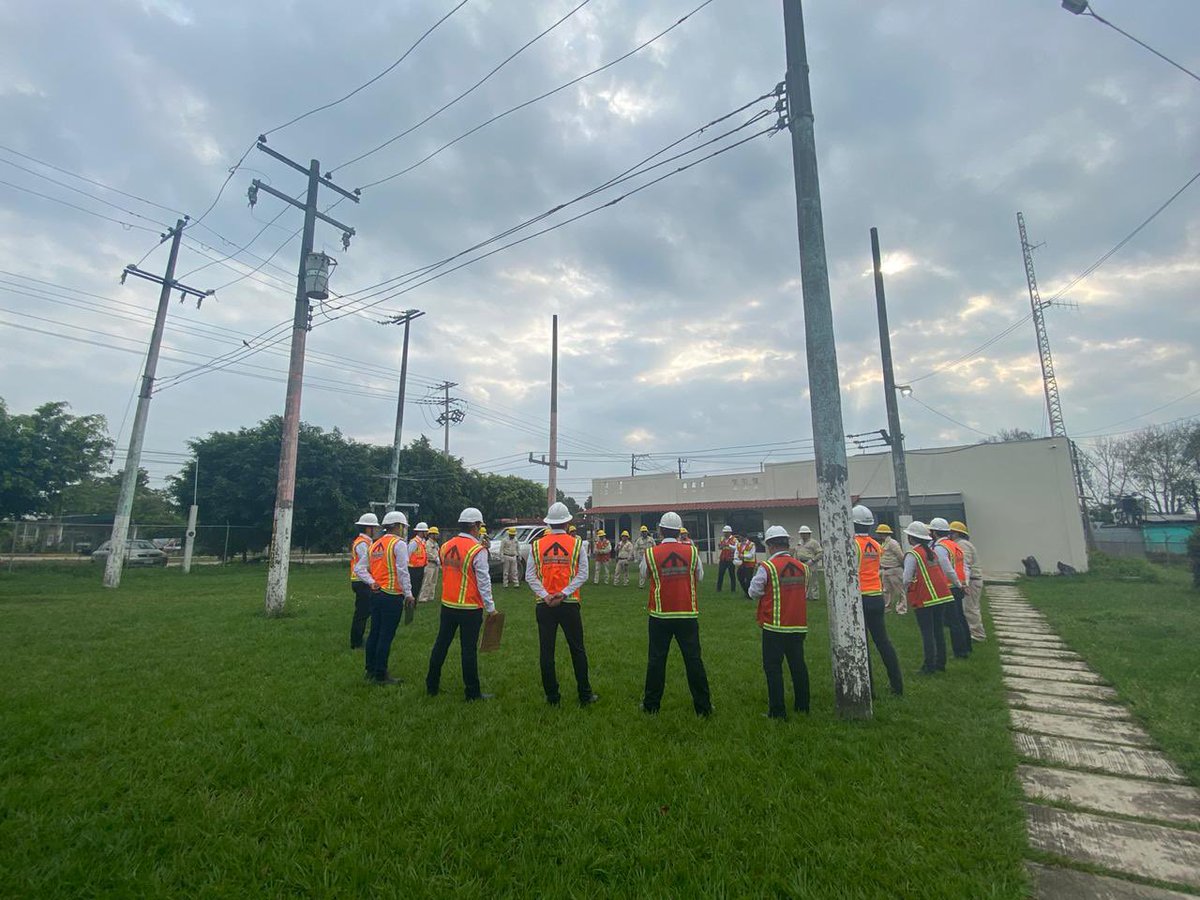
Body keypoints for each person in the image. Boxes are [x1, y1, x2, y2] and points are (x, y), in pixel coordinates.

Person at [640, 511, 711, 716]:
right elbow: (700, 576)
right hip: (687, 613)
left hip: (660, 614)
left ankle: (651, 705)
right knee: (694, 660)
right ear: (680, 531)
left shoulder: (652, 553)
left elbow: (644, 574)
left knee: (656, 661)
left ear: (660, 530)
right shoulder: (693, 551)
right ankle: (703, 707)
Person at [525, 502, 597, 706]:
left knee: (546, 652)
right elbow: (583, 573)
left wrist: (546, 595)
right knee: (577, 650)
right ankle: (585, 695)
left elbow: (529, 575)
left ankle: (552, 697)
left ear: (548, 523)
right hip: (570, 603)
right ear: (567, 522)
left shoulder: (536, 545)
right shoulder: (577, 544)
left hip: (544, 604)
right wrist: (564, 593)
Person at [425, 507, 498, 701]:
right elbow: (484, 580)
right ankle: (472, 692)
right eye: (480, 525)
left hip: (448, 604)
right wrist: (491, 608)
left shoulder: (445, 545)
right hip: (470, 607)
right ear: (475, 526)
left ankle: (431, 685)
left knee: (441, 644)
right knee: (468, 650)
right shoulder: (477, 550)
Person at [746, 525, 810, 719]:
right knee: (798, 666)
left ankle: (777, 711)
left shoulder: (767, 567)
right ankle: (803, 706)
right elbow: (804, 593)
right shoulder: (803, 568)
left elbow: (753, 592)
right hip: (798, 624)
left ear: (771, 545)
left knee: (773, 669)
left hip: (775, 625)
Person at [853, 505, 903, 697]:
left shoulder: (853, 544)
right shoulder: (876, 545)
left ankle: (869, 689)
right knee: (883, 642)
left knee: (862, 644)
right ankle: (897, 685)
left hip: (860, 597)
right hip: (876, 595)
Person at [365, 511, 416, 685]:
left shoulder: (374, 544)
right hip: (392, 596)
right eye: (403, 527)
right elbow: (403, 571)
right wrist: (408, 594)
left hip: (376, 594)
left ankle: (370, 670)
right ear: (399, 526)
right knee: (386, 635)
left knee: (374, 633)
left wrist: (372, 582)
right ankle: (381, 673)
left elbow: (359, 568)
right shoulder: (399, 544)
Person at [902, 521, 954, 674]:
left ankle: (929, 666)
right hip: (941, 596)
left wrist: (903, 594)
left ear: (911, 538)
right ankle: (940, 663)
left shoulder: (913, 554)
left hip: (925, 598)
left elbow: (906, 578)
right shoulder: (933, 552)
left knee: (927, 633)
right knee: (938, 631)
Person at [930, 517, 972, 659]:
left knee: (953, 621)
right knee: (960, 618)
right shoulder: (955, 545)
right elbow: (965, 566)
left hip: (950, 587)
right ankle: (967, 646)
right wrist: (964, 583)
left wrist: (959, 585)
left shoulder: (940, 548)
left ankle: (960, 652)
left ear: (934, 533)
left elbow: (947, 569)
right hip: (958, 585)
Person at [951, 521, 986, 642]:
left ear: (956, 533)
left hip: (971, 581)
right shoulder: (962, 543)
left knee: (970, 608)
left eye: (951, 532)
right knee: (970, 608)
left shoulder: (962, 545)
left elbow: (965, 565)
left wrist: (963, 583)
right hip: (972, 580)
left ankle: (977, 635)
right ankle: (973, 632)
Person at [349, 512, 379, 650]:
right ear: (368, 528)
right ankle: (356, 642)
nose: (376, 530)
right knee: (362, 612)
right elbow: (367, 563)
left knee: (365, 611)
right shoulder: (362, 543)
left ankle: (359, 639)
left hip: (362, 580)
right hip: (362, 581)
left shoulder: (366, 542)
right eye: (374, 528)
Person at [876, 524, 907, 615]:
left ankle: (901, 610)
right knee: (886, 590)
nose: (879, 535)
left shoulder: (892, 543)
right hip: (886, 570)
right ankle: (887, 608)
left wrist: (903, 566)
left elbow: (900, 555)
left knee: (899, 591)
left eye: (880, 533)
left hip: (894, 569)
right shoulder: (884, 543)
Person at [794, 526, 823, 601]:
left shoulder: (814, 542)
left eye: (804, 533)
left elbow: (820, 553)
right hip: (800, 563)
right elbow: (796, 552)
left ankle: (814, 596)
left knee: (813, 580)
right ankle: (805, 595)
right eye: (801, 534)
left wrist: (813, 560)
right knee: (803, 580)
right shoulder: (799, 542)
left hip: (811, 563)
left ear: (809, 534)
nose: (803, 535)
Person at [408, 522, 430, 603]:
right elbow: (408, 554)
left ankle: (414, 603)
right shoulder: (414, 542)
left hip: (420, 567)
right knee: (414, 587)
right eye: (425, 531)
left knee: (418, 587)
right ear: (421, 532)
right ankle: (411, 603)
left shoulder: (422, 541)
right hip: (413, 569)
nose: (427, 533)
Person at [418, 525, 441, 604]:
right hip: (430, 564)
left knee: (433, 581)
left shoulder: (436, 543)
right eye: (436, 534)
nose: (437, 535)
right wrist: (435, 558)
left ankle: (431, 596)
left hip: (435, 565)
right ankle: (423, 597)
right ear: (432, 534)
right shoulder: (427, 543)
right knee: (427, 581)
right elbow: (428, 553)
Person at [716, 525, 739, 593]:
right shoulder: (722, 539)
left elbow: (736, 548)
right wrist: (720, 546)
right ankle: (718, 589)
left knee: (732, 575)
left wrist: (728, 545)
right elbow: (721, 547)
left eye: (726, 532)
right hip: (723, 559)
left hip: (730, 559)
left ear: (729, 532)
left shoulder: (735, 539)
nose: (725, 533)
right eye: (724, 532)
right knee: (720, 574)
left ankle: (733, 589)